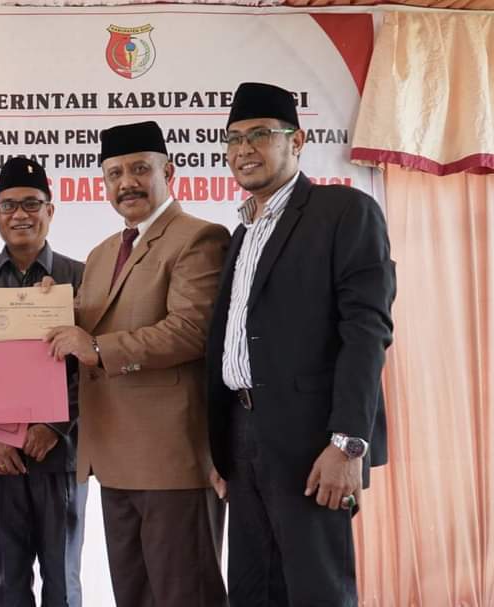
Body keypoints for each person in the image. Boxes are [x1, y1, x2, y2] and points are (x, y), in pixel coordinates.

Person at [205, 82, 396, 606]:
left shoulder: (344, 211)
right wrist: (221, 446)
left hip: (313, 443)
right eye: (234, 138)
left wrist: (348, 443)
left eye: (260, 135)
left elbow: (367, 331)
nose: (244, 149)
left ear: (297, 141)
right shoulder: (243, 233)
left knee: (317, 591)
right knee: (252, 590)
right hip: (242, 435)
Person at [46, 121, 230, 607]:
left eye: (139, 169)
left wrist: (99, 349)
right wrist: (45, 308)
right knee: (134, 595)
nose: (126, 182)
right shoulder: (102, 252)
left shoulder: (198, 237)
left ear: (168, 172)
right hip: (111, 457)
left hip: (171, 457)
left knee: (184, 595)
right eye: (114, 174)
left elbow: (190, 331)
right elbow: (86, 323)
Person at [0, 157, 87, 607]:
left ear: (51, 210)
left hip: (60, 452)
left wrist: (55, 426)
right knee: (8, 578)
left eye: (32, 203)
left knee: (62, 578)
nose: (20, 215)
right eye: (8, 205)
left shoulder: (81, 277)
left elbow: (91, 366)